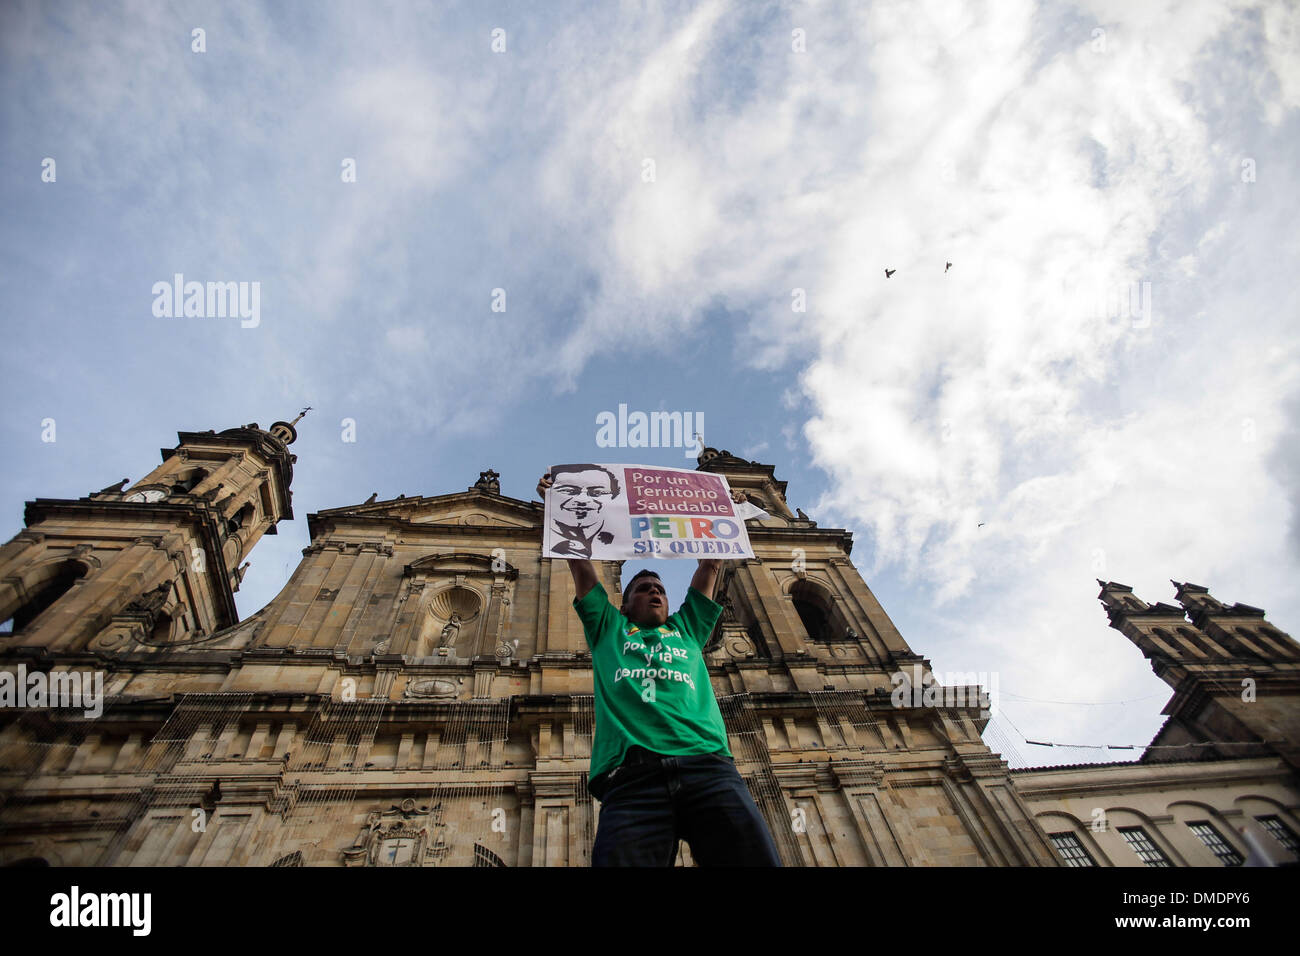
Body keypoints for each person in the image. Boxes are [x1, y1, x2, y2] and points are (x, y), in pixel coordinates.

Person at [537, 472, 782, 866]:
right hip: (632, 780)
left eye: (660, 589)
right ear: (624, 603)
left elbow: (711, 564)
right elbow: (580, 565)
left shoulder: (687, 628)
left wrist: (729, 512)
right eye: (643, 589)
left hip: (708, 767)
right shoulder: (607, 629)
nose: (653, 591)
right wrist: (559, 506)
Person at [547, 463, 621, 559]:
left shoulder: (619, 542)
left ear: (614, 497)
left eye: (597, 492)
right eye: (569, 491)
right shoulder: (550, 540)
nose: (582, 500)